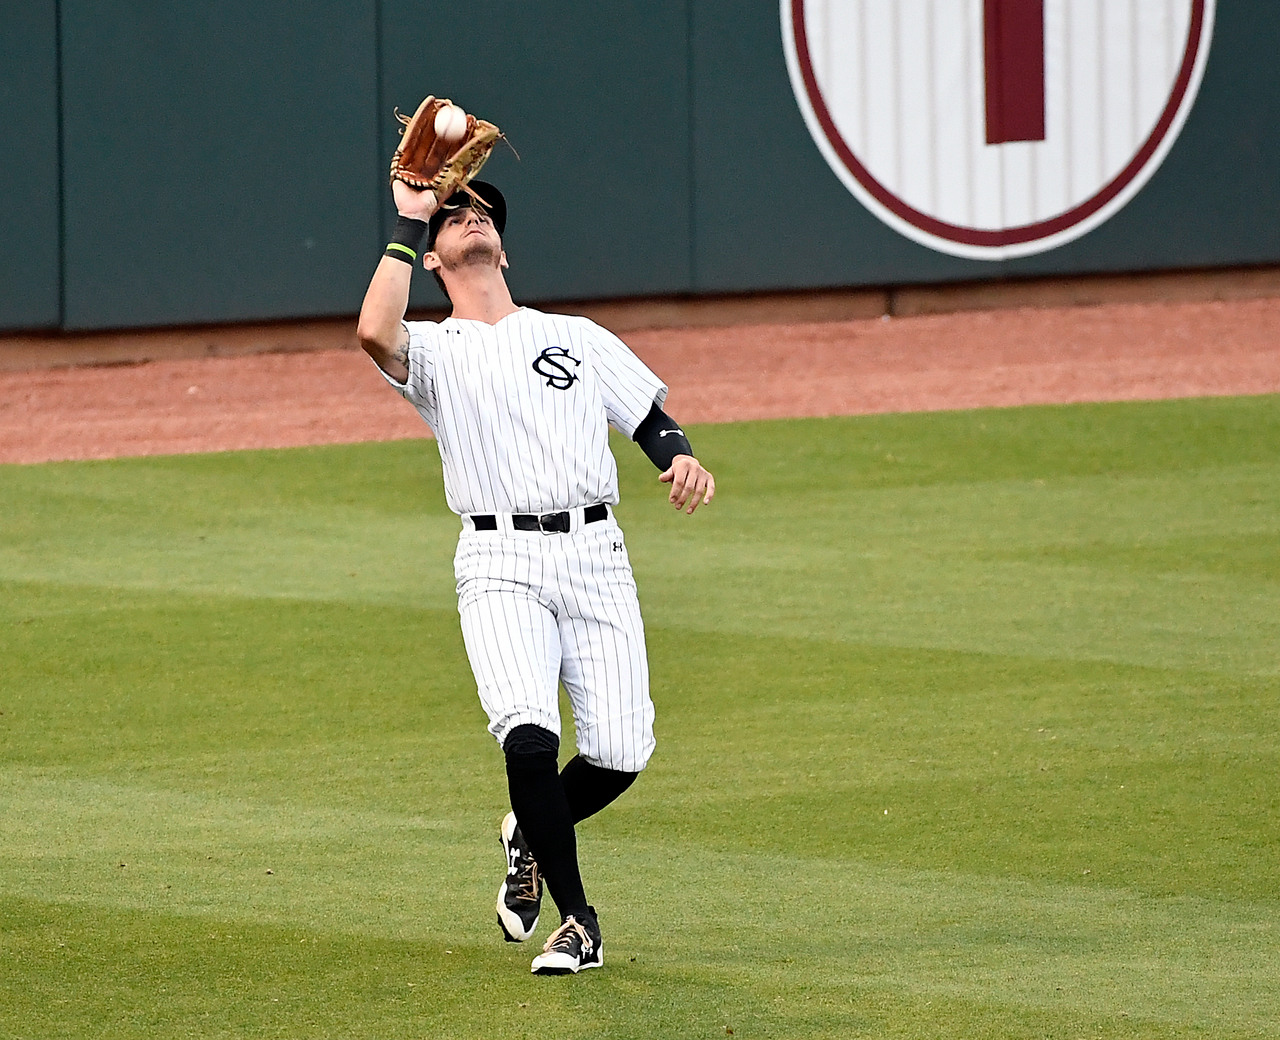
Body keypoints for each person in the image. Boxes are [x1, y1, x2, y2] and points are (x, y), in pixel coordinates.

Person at [356, 177, 716, 975]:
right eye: (453, 215)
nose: (469, 216)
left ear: (504, 247)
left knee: (622, 750)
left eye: (480, 211)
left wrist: (680, 456)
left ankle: (527, 829)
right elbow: (374, 331)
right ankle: (578, 921)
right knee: (527, 732)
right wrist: (408, 220)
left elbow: (649, 416)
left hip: (596, 554)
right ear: (435, 255)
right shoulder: (436, 351)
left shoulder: (575, 334)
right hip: (497, 559)